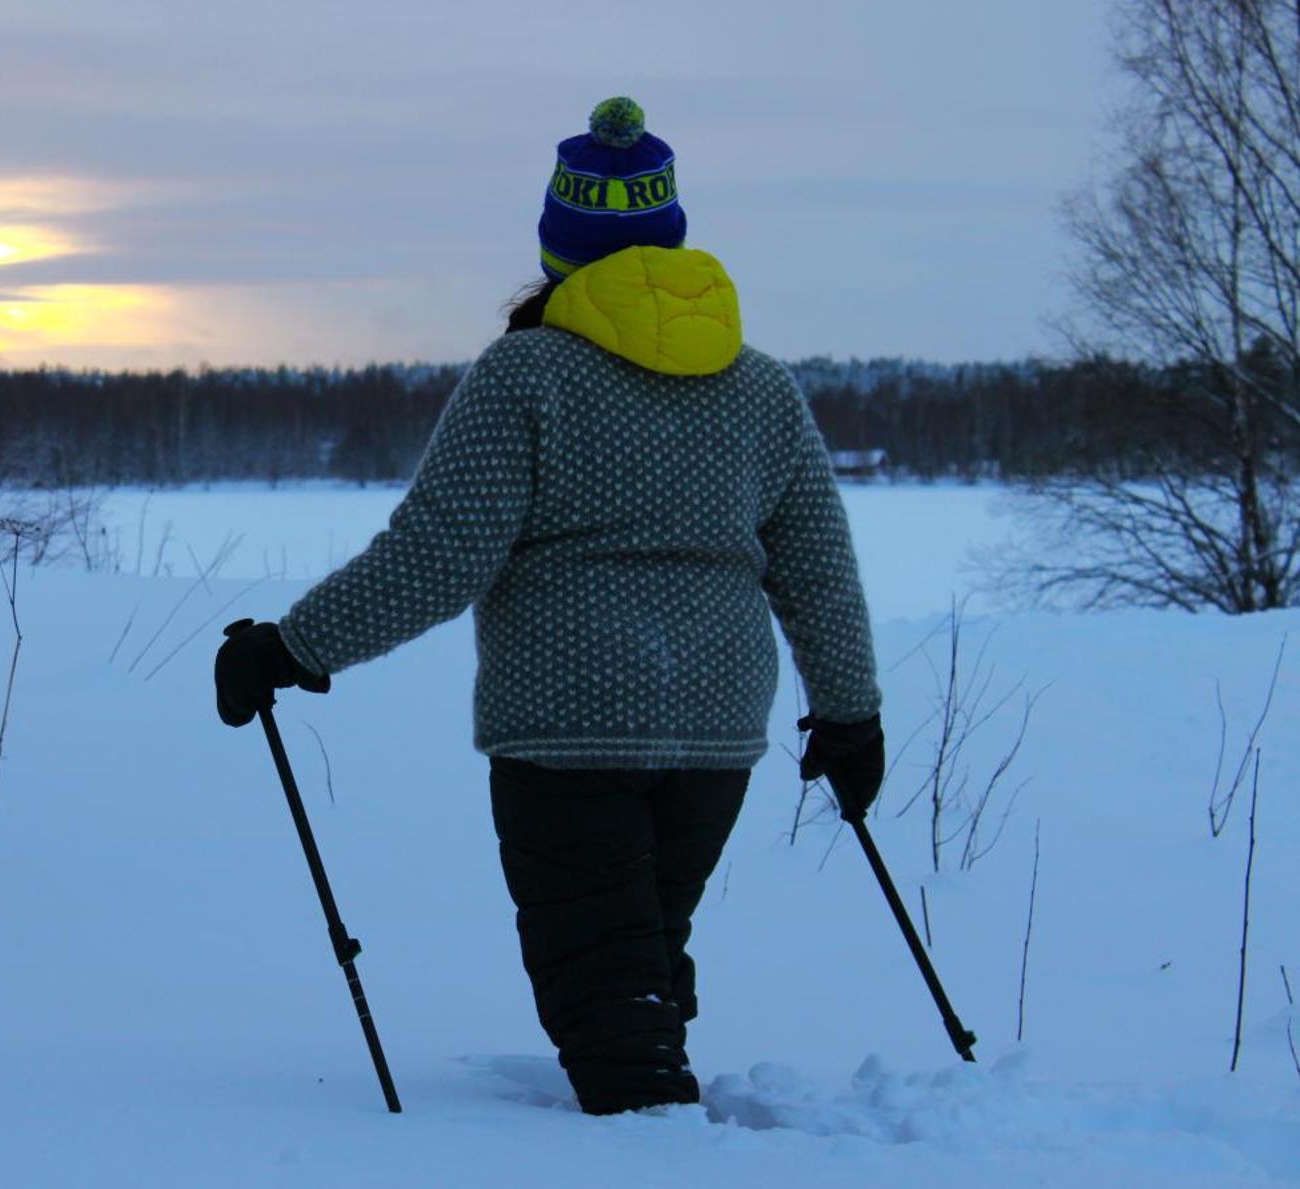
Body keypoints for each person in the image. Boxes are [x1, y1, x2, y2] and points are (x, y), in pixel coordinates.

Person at [213, 97, 885, 1116]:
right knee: (640, 951)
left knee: (606, 977)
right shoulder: (758, 388)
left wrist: (291, 644)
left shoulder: (527, 374)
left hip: (569, 724)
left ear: (555, 244)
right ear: (670, 238)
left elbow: (440, 554)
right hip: (710, 727)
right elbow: (817, 569)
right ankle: (661, 1107)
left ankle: (650, 1135)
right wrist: (849, 711)